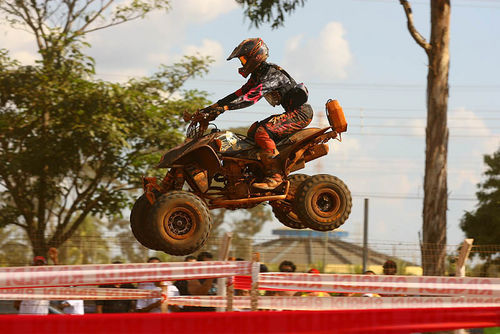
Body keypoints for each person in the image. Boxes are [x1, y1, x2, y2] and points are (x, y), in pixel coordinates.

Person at [189, 38, 313, 190]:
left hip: (300, 114)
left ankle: (275, 175)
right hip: (293, 112)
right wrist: (210, 108)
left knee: (262, 132)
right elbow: (238, 94)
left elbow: (250, 97)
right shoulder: (257, 75)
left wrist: (224, 108)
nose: (242, 62)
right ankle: (257, 170)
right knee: (253, 130)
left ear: (256, 56)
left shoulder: (271, 74)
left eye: (243, 58)